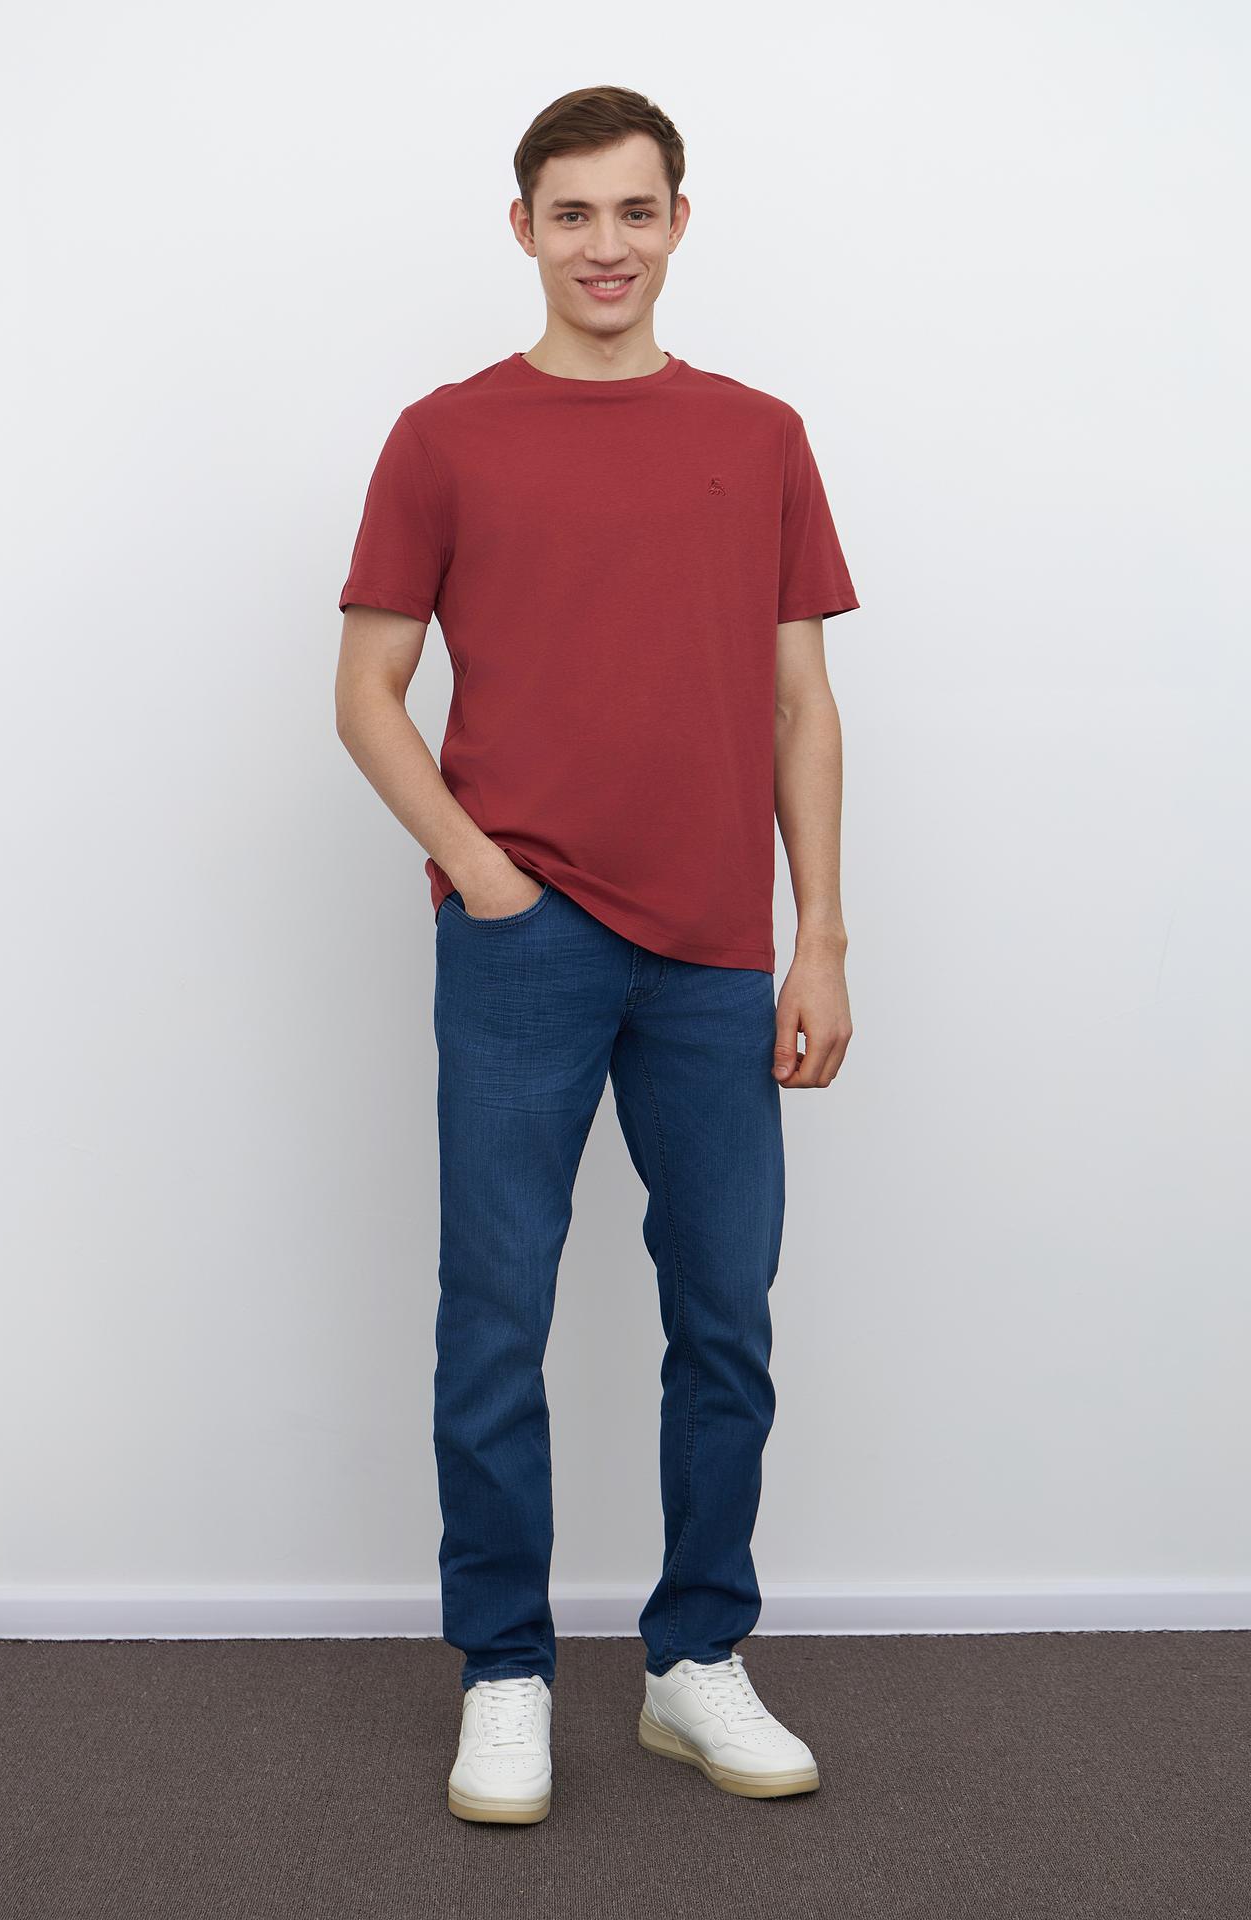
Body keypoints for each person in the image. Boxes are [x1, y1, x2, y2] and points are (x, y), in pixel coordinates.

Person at [334, 85, 859, 1826]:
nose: (606, 245)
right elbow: (367, 689)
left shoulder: (760, 434)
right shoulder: (445, 437)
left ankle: (695, 1658)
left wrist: (818, 936)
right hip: (525, 942)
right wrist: (484, 873)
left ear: (680, 222)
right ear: (524, 229)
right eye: (573, 214)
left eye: (637, 211)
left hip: (714, 953)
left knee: (726, 1316)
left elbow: (800, 705)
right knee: (496, 1321)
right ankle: (505, 1672)